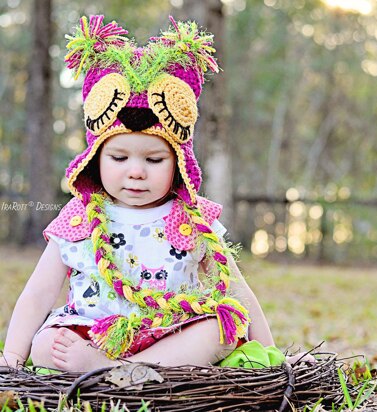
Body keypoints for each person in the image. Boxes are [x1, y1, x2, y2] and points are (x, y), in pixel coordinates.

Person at [0, 15, 313, 372]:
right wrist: (11, 358)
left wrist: (269, 353)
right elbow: (38, 294)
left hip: (169, 335)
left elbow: (237, 291)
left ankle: (130, 371)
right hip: (92, 333)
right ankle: (102, 365)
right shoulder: (80, 216)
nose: (136, 171)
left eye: (153, 158)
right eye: (119, 157)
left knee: (221, 328)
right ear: (96, 160)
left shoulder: (192, 219)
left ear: (178, 162)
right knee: (46, 344)